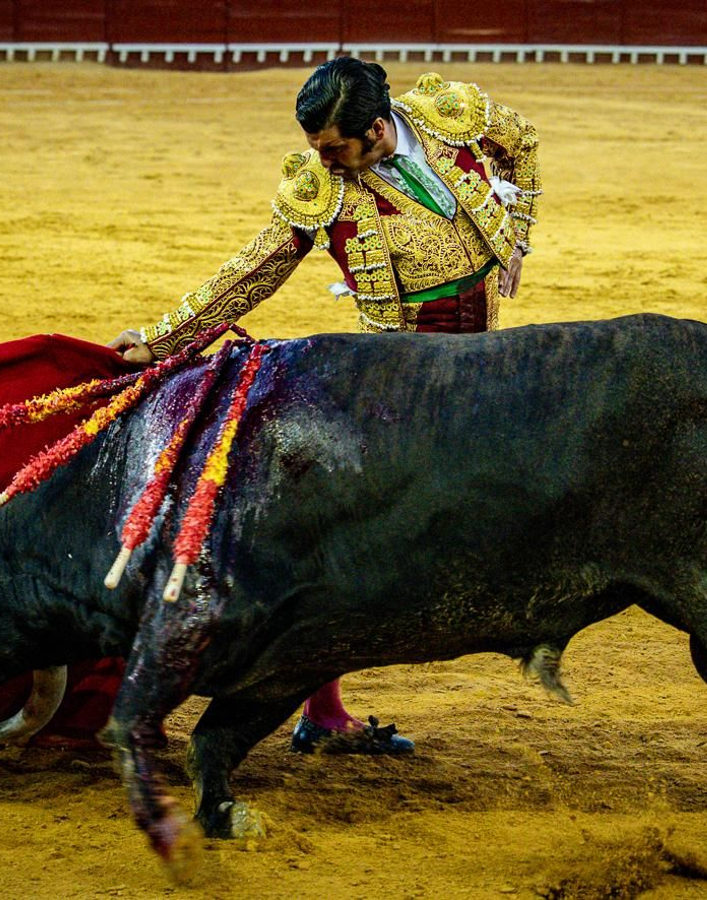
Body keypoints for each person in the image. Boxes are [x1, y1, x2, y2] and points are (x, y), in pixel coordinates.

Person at [108, 57, 541, 754]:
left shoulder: (447, 116)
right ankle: (322, 707)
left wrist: (517, 234)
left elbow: (521, 144)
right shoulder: (323, 190)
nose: (325, 160)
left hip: (483, 353)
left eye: (336, 147)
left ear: (377, 128)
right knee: (353, 533)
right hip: (397, 369)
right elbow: (257, 267)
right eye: (316, 147)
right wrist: (165, 339)